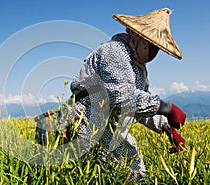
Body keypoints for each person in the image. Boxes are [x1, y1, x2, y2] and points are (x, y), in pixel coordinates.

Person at [58, 8, 186, 183]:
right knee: (130, 174)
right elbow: (121, 98)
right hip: (87, 121)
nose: (154, 52)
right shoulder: (115, 52)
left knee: (129, 173)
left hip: (107, 127)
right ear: (137, 36)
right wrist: (166, 108)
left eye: (158, 48)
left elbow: (139, 105)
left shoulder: (137, 66)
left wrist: (167, 128)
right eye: (152, 45)